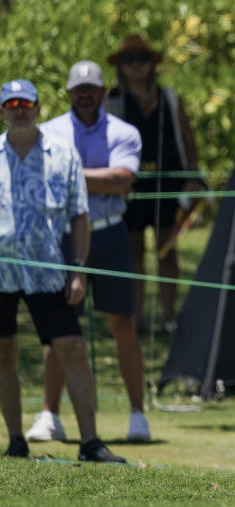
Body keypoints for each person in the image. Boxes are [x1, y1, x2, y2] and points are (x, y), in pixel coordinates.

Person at [0, 78, 124, 463]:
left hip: (48, 270)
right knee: (3, 350)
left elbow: (79, 214)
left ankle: (90, 443)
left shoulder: (63, 154)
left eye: (27, 106)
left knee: (73, 347)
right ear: (2, 112)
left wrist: (78, 269)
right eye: (12, 106)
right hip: (1, 273)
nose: (19, 112)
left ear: (38, 110)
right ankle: (16, 441)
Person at [27, 61, 150, 444]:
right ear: (68, 93)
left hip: (110, 236)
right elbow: (44, 180)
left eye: (91, 89)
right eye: (77, 89)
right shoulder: (48, 132)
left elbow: (123, 180)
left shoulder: (124, 132)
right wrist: (99, 178)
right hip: (62, 239)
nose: (84, 95)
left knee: (123, 325)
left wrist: (71, 174)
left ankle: (137, 416)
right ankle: (50, 416)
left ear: (103, 91)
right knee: (59, 330)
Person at [106, 34, 203, 334]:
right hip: (130, 186)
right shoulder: (112, 102)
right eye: (129, 60)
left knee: (166, 249)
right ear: (121, 66)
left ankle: (168, 318)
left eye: (141, 59)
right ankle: (138, 320)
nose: (136, 65)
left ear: (151, 64)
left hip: (168, 183)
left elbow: (187, 138)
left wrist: (192, 177)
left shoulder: (169, 98)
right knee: (133, 251)